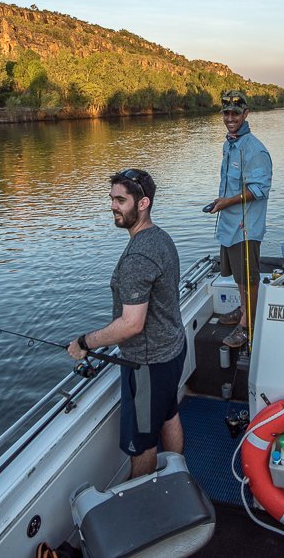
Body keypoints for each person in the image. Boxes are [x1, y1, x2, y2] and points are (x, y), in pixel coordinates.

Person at [68, 168, 187, 479]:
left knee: (143, 445)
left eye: (120, 200)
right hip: (173, 349)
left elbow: (132, 324)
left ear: (143, 203)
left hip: (146, 364)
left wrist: (84, 343)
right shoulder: (161, 237)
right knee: (169, 412)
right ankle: (176, 477)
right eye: (111, 199)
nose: (113, 206)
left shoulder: (138, 257)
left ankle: (144, 500)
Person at [206, 89, 272, 349]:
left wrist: (226, 202)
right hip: (229, 225)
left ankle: (249, 326)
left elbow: (259, 190)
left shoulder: (255, 150)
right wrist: (221, 203)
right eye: (226, 113)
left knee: (249, 279)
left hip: (246, 229)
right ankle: (244, 310)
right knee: (237, 276)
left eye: (235, 112)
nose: (230, 117)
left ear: (246, 113)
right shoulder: (228, 144)